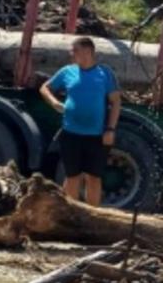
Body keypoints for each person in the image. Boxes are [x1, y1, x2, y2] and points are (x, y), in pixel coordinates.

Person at [39, 36, 120, 205]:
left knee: (94, 177)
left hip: (96, 135)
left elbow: (116, 102)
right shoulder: (67, 71)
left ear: (88, 51)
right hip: (71, 133)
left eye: (75, 50)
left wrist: (110, 129)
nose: (71, 53)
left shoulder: (105, 74)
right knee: (72, 176)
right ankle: (70, 214)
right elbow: (45, 88)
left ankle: (92, 215)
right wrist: (54, 103)